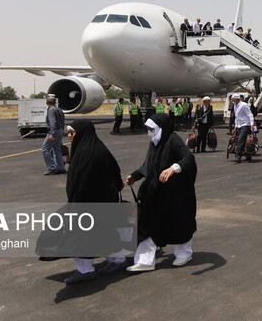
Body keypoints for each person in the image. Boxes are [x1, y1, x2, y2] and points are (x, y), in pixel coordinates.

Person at [125, 114, 197, 271]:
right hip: (155, 193)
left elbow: (188, 158)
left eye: (152, 129)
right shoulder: (154, 143)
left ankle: (184, 253)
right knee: (148, 223)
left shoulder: (173, 140)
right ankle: (145, 261)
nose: (149, 133)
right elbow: (148, 165)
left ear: (161, 128)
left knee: (179, 223)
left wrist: (174, 168)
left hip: (175, 195)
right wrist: (135, 176)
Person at [62, 120, 127, 283]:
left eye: (72, 133)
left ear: (81, 133)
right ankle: (117, 261)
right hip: (105, 201)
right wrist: (117, 186)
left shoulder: (84, 154)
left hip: (86, 204)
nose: (69, 136)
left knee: (80, 236)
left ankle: (85, 269)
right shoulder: (99, 148)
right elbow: (115, 170)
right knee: (108, 232)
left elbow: (80, 183)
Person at [42, 95, 66, 175]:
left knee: (45, 149)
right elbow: (62, 121)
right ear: (55, 102)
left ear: (46, 103)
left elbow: (53, 122)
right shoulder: (59, 110)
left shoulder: (51, 110)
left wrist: (51, 134)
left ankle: (52, 167)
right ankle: (60, 167)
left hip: (54, 131)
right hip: (60, 130)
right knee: (57, 149)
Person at [232, 94, 255, 163]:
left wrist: (252, 124)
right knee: (244, 141)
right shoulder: (235, 106)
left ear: (236, 99)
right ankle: (248, 156)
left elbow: (250, 114)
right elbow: (237, 117)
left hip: (245, 125)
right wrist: (236, 126)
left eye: (232, 99)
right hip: (239, 125)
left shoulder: (243, 105)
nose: (231, 100)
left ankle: (238, 156)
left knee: (240, 140)